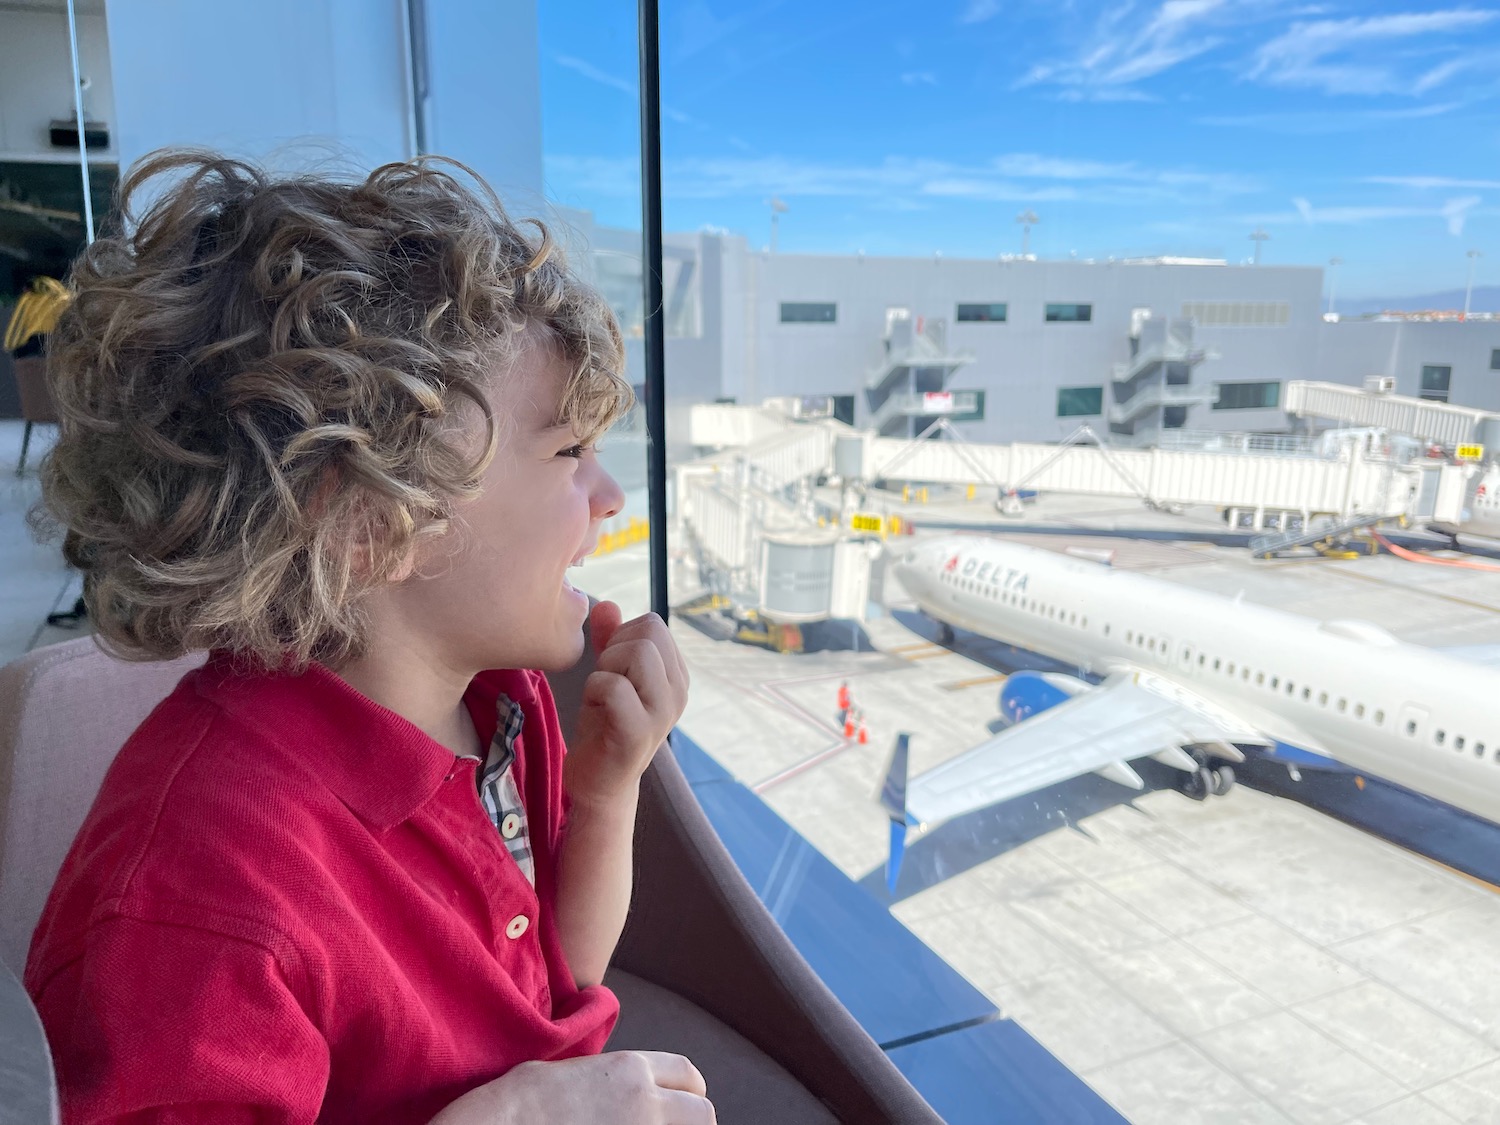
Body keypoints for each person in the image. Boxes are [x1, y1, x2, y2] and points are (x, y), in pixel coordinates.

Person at [24, 150, 710, 1125]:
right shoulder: (202, 890)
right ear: (371, 527)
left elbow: (555, 983)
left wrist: (607, 791)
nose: (608, 499)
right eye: (568, 455)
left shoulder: (499, 704)